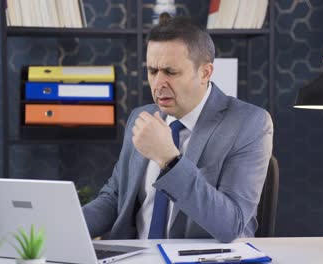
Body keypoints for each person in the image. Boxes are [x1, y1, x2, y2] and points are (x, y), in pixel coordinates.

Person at [82, 16, 273, 242]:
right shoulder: (141, 118)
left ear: (205, 73)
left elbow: (231, 225)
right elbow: (115, 199)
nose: (158, 83)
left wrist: (169, 160)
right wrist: (60, 226)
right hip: (136, 255)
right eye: (152, 71)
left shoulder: (249, 123)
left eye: (170, 72)